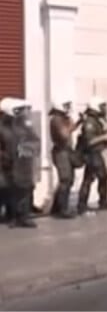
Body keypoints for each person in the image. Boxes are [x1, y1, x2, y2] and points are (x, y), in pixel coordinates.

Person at [0, 98, 39, 228]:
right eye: (19, 110)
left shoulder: (24, 126)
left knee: (25, 189)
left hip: (23, 162)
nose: (23, 112)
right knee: (8, 189)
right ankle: (12, 216)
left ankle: (23, 216)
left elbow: (33, 140)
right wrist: (4, 157)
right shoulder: (2, 127)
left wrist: (28, 150)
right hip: (7, 164)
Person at [76, 96, 107, 215]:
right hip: (92, 154)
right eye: (102, 106)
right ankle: (82, 205)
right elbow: (89, 141)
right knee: (90, 179)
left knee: (102, 177)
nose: (104, 108)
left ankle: (102, 201)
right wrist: (103, 137)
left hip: (97, 153)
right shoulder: (89, 122)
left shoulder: (97, 119)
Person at [49, 96, 82, 219]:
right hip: (61, 151)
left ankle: (57, 207)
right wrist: (73, 123)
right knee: (65, 180)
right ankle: (62, 209)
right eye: (66, 105)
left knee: (68, 180)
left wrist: (77, 121)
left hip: (67, 151)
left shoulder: (64, 118)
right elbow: (64, 134)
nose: (68, 108)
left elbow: (70, 129)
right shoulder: (56, 120)